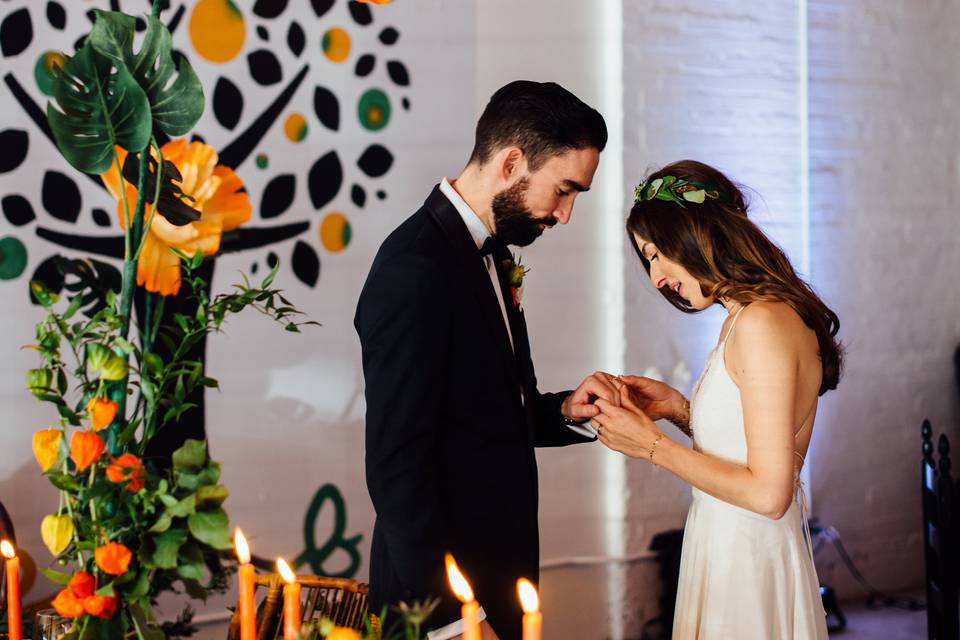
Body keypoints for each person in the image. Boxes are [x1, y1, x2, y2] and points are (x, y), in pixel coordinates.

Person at [354, 80, 614, 640]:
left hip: (500, 580)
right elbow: (397, 466)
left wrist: (569, 409)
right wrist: (452, 620)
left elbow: (486, 415)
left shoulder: (493, 256)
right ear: (512, 162)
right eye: (564, 190)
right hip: (440, 606)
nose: (566, 215)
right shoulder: (414, 268)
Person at [594, 160, 842, 639]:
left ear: (692, 232)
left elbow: (769, 494)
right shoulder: (745, 318)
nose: (656, 278)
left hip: (748, 562)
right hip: (726, 547)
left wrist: (652, 447)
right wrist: (679, 411)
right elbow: (755, 445)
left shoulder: (762, 323)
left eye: (655, 255)